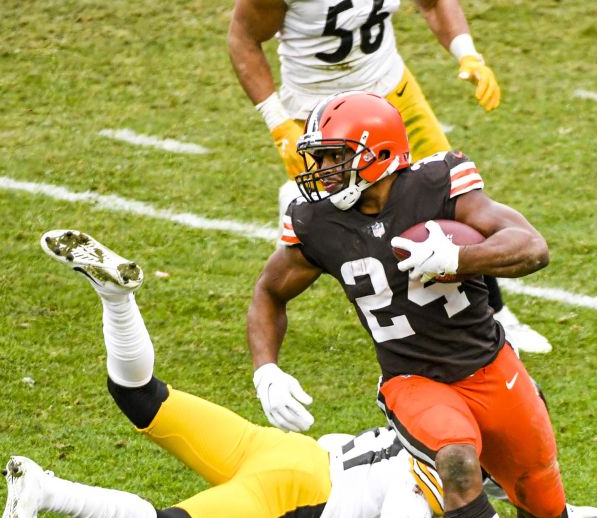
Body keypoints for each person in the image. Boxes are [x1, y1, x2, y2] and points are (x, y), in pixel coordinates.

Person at [247, 92, 597, 518]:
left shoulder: (437, 184)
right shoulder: (316, 221)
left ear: (380, 154)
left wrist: (459, 261)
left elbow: (531, 247)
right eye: (320, 158)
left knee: (541, 494)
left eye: (337, 157)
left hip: (490, 367)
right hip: (411, 378)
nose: (322, 172)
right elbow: (270, 291)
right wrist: (265, 368)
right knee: (457, 460)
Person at [0, 229, 555, 518]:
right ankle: (48, 489)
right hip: (298, 492)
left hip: (283, 449)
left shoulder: (437, 418)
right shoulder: (437, 473)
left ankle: (116, 299)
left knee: (138, 394)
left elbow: (518, 491)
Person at [227, 0, 551, 354]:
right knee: (338, 222)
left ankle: (495, 313)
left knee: (449, 198)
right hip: (319, 117)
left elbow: (433, 3)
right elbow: (243, 36)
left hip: (390, 97)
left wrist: (467, 53)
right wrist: (277, 121)